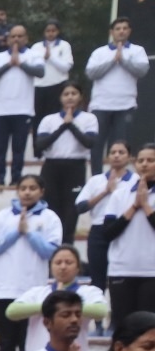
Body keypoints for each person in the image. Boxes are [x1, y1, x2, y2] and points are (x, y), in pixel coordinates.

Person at [0, 174, 63, 351]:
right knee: (6, 342)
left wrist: (29, 232)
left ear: (41, 191)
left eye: (32, 188)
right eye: (23, 188)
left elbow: (50, 251)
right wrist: (15, 232)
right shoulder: (3, 216)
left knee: (29, 342)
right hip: (4, 288)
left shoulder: (50, 218)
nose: (27, 192)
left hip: (34, 290)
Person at [7, 245, 108, 351]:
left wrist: (64, 306)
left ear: (78, 267)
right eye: (58, 263)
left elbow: (101, 311)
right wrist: (48, 306)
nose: (63, 267)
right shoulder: (37, 292)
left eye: (68, 262)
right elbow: (11, 312)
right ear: (51, 266)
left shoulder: (88, 291)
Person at [35, 83, 97, 249]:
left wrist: (71, 125)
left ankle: (67, 250)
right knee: (51, 211)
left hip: (75, 168)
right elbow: (40, 144)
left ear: (80, 96)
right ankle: (51, 253)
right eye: (66, 94)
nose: (70, 97)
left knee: (70, 213)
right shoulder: (49, 120)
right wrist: (63, 125)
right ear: (60, 98)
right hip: (51, 168)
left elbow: (89, 142)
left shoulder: (89, 119)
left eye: (74, 93)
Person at [86, 19, 150, 177]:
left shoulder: (137, 50)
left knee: (121, 146)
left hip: (125, 105)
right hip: (100, 105)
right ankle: (97, 177)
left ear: (129, 31)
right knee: (97, 145)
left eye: (124, 28)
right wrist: (113, 60)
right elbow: (91, 73)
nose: (121, 31)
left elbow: (142, 71)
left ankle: (118, 177)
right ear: (111, 32)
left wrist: (123, 60)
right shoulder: (100, 52)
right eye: (118, 28)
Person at [0, 25, 43, 188]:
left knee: (19, 148)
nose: (16, 39)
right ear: (8, 39)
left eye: (20, 36)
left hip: (23, 109)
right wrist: (9, 65)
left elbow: (40, 72)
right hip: (0, 110)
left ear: (26, 38)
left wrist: (21, 63)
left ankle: (16, 179)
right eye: (13, 36)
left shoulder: (33, 55)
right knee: (0, 149)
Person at [103, 143, 155, 319]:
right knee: (123, 326)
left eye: (150, 160)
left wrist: (146, 206)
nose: (144, 164)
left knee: (149, 326)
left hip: (152, 271)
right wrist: (134, 207)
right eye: (141, 160)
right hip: (121, 270)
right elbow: (107, 233)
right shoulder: (120, 194)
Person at [78, 140, 133, 293]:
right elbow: (80, 207)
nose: (116, 156)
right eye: (113, 152)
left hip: (124, 229)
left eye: (121, 152)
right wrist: (105, 192)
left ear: (129, 157)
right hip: (99, 230)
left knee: (123, 280)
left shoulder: (135, 181)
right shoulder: (96, 180)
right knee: (97, 280)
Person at [31, 21, 73, 138]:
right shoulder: (36, 47)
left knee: (55, 118)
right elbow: (33, 66)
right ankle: (38, 147)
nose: (50, 33)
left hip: (58, 85)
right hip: (39, 86)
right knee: (38, 119)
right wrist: (43, 58)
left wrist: (51, 58)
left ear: (58, 31)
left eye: (53, 31)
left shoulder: (64, 45)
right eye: (48, 31)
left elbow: (66, 67)